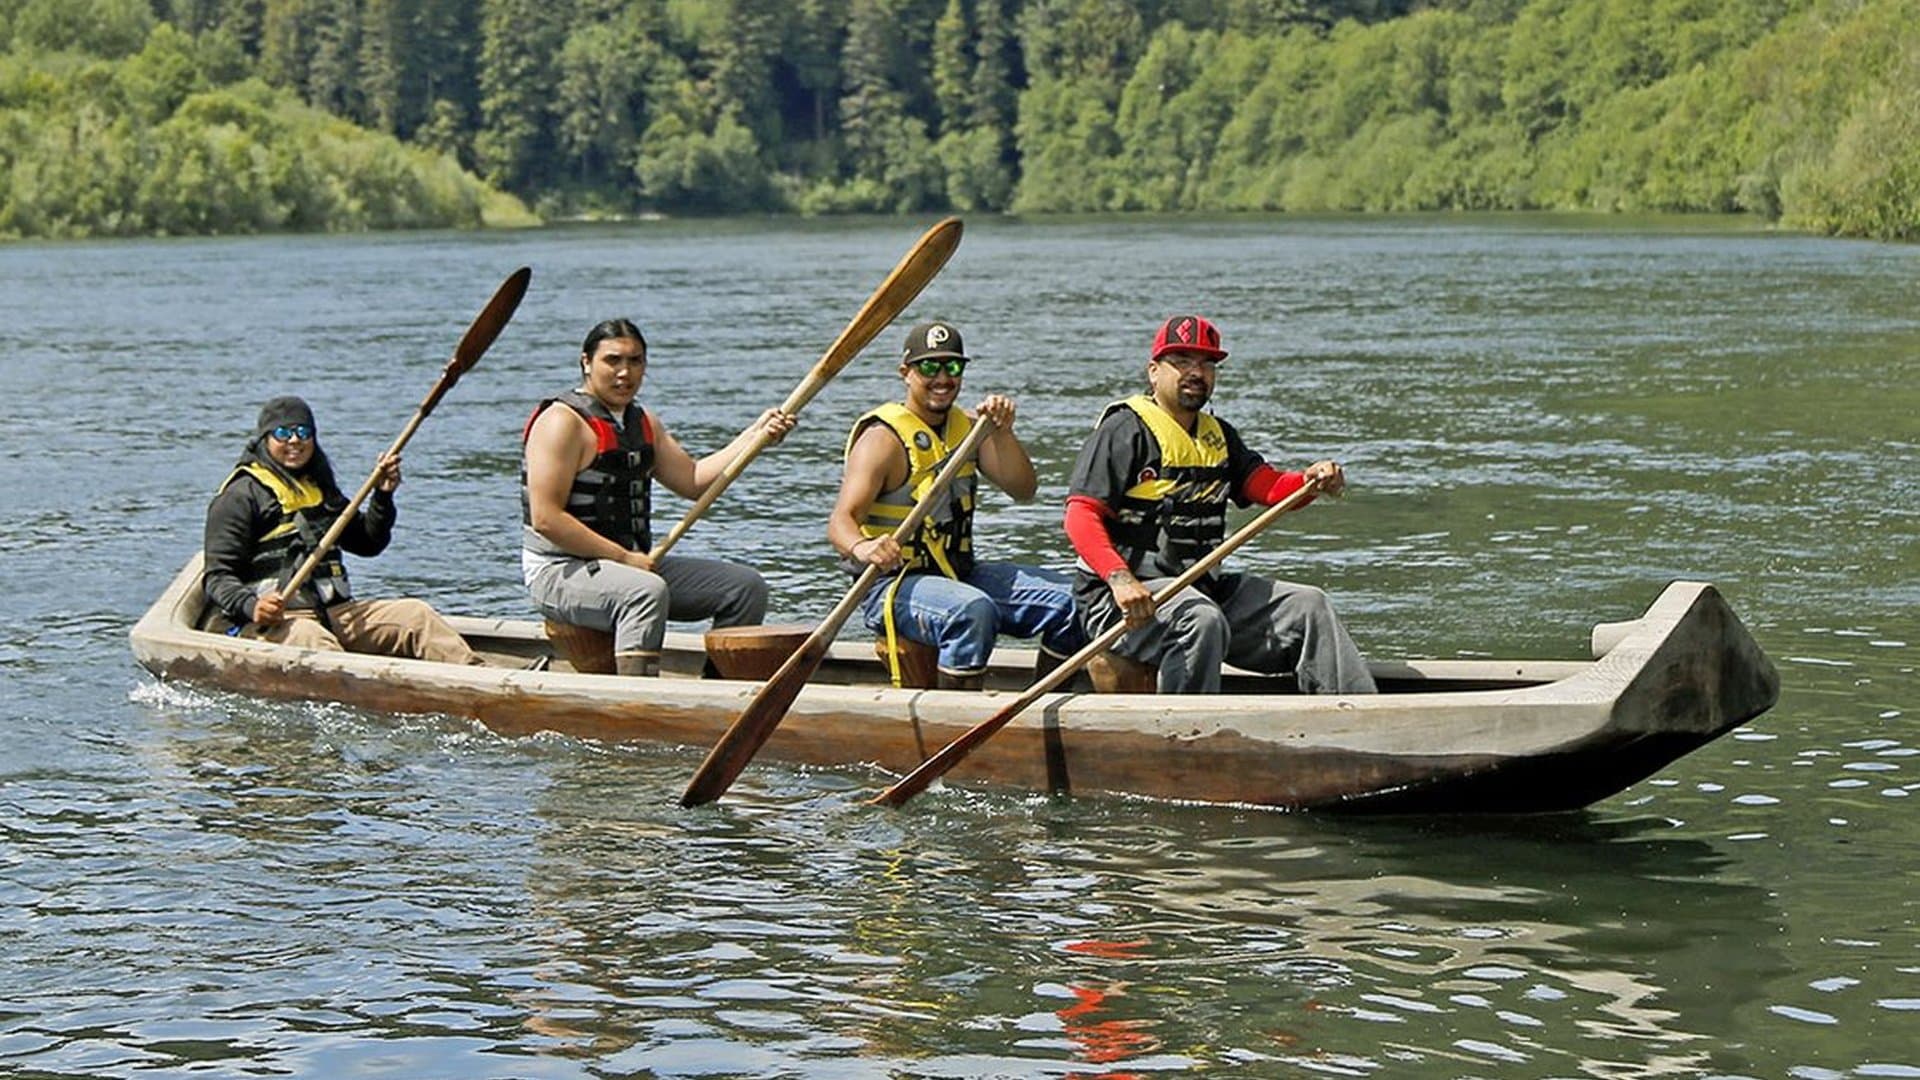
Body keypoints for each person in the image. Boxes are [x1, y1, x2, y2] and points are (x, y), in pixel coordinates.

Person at [1063, 315, 1376, 695]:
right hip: (1121, 604)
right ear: (1154, 371)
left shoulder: (1220, 436)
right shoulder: (1123, 431)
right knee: (1201, 620)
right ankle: (1185, 735)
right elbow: (1080, 516)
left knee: (1310, 606)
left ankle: (1354, 714)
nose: (1196, 372)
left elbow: (1271, 488)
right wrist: (1121, 580)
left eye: (1207, 364)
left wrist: (1310, 481)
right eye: (1181, 361)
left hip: (1203, 592)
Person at [522, 318, 797, 677]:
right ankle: (635, 707)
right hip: (559, 571)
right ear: (586, 362)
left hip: (632, 565)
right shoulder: (562, 422)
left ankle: (720, 694)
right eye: (613, 360)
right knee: (645, 592)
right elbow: (546, 518)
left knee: (745, 588)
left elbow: (694, 481)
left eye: (635, 361)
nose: (625, 373)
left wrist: (755, 436)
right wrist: (623, 557)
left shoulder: (643, 422)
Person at [829, 320, 1084, 690]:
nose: (942, 378)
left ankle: (1038, 705)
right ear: (906, 373)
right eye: (930, 367)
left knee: (1074, 601)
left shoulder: (970, 429)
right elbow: (840, 521)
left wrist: (1002, 431)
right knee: (971, 610)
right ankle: (957, 719)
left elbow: (1023, 488)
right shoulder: (881, 440)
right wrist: (864, 546)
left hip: (958, 573)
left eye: (953, 367)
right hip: (891, 585)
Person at [203, 395, 482, 664]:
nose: (295, 441)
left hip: (338, 614)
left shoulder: (320, 488)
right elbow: (216, 578)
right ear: (265, 439)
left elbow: (368, 543)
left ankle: (478, 677)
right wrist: (253, 607)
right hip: (279, 625)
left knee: (415, 615)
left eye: (303, 432)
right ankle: (362, 696)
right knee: (312, 639)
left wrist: (382, 497)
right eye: (283, 433)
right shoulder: (240, 496)